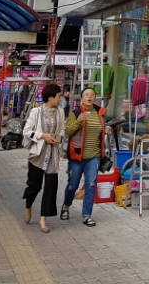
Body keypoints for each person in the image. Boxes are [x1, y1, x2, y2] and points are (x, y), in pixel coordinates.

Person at [60, 87, 109, 227]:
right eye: (86, 94)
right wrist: (79, 120)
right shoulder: (76, 112)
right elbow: (68, 131)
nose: (89, 97)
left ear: (95, 97)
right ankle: (66, 205)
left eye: (92, 94)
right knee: (72, 185)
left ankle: (87, 215)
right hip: (76, 156)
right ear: (81, 98)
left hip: (94, 156)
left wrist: (105, 130)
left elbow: (99, 132)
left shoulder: (100, 113)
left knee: (91, 185)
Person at [21, 83, 65, 233]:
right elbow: (26, 131)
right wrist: (43, 136)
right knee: (34, 186)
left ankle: (43, 218)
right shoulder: (36, 111)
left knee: (51, 187)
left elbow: (62, 130)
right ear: (50, 97)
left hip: (53, 154)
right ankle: (28, 204)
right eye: (59, 96)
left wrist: (57, 138)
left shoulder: (60, 112)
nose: (60, 99)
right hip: (38, 154)